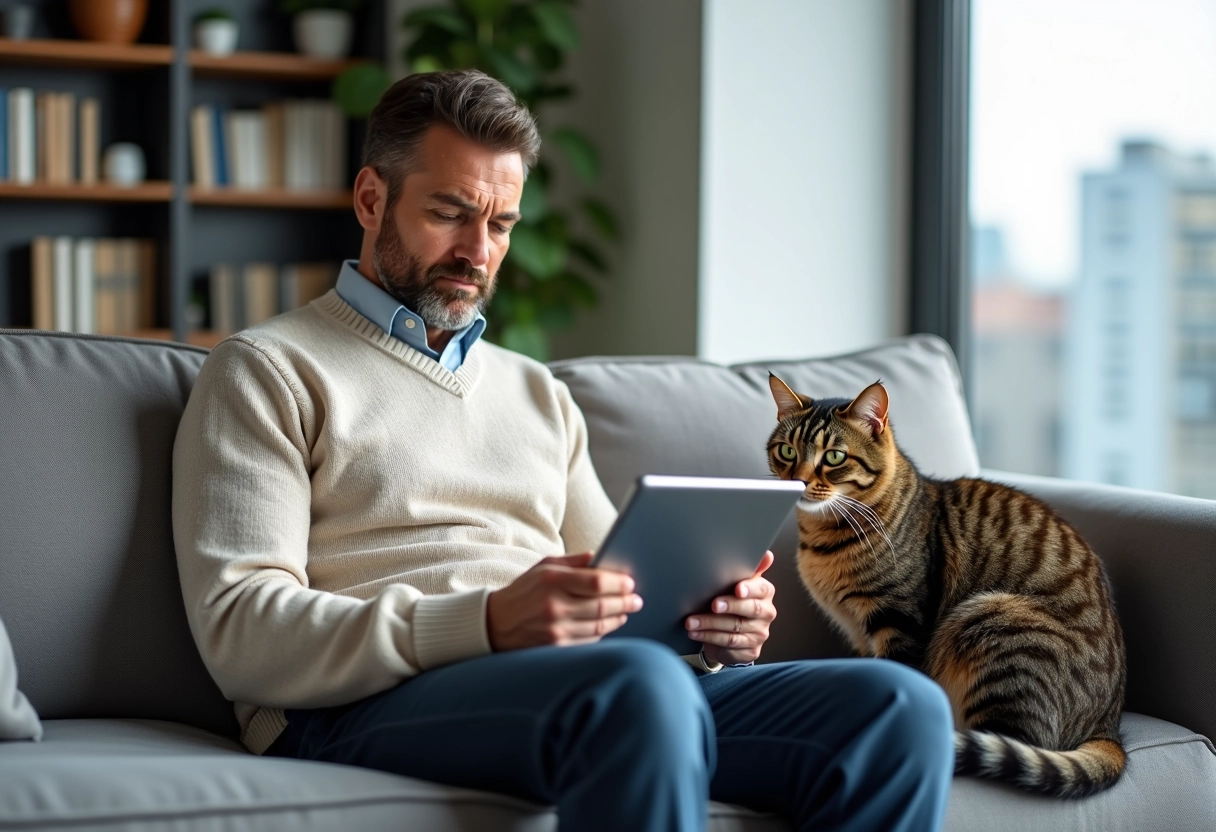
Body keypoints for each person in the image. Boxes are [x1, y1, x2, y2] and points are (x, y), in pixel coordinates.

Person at [172, 69, 954, 832]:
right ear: (372, 199)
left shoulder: (534, 391)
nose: (479, 252)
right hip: (356, 705)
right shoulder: (267, 369)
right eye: (450, 213)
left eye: (502, 224)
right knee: (635, 688)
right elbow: (243, 633)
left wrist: (711, 630)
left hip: (589, 686)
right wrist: (483, 622)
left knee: (897, 709)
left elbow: (626, 596)